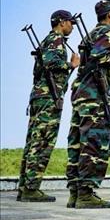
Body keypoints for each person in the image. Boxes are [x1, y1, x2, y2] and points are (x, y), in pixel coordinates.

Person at [65, 0, 110, 208]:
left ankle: (75, 193)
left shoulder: (90, 34)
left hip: (81, 95)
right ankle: (85, 194)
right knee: (94, 142)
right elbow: (99, 58)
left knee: (77, 143)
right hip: (94, 97)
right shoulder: (108, 33)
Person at [18, 10, 80, 202]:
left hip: (39, 96)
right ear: (61, 22)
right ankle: (31, 189)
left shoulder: (47, 41)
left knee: (33, 140)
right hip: (47, 98)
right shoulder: (56, 40)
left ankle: (24, 187)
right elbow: (52, 64)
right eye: (70, 22)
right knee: (43, 141)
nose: (72, 26)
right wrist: (71, 65)